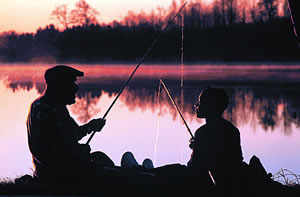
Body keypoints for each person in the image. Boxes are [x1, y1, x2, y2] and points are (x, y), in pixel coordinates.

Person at [26, 65, 114, 184]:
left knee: (99, 157)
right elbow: (66, 152)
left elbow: (67, 135)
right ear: (60, 87)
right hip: (60, 176)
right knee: (102, 161)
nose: (76, 89)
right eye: (73, 84)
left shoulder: (36, 105)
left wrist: (90, 127)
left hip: (42, 172)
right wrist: (82, 150)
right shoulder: (57, 111)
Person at [187, 87, 243, 196]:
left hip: (210, 186)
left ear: (210, 107)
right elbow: (236, 160)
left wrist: (196, 148)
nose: (197, 106)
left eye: (200, 102)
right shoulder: (232, 130)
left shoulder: (202, 133)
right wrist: (198, 146)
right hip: (231, 183)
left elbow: (193, 167)